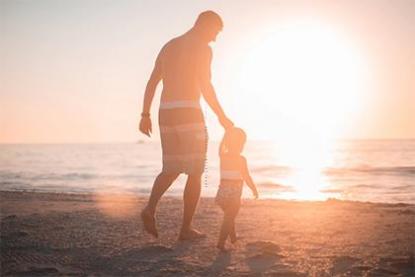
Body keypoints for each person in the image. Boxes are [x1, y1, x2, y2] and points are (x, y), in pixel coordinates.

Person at [139, 11, 233, 240]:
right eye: (215, 32)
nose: (214, 39)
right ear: (205, 25)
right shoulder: (203, 48)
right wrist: (221, 116)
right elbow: (206, 86)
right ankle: (185, 230)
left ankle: (150, 208)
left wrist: (145, 114)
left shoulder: (169, 46)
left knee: (171, 168)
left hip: (166, 113)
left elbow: (152, 81)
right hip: (189, 112)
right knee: (196, 171)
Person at [215, 127, 258, 251]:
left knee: (229, 216)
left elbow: (220, 146)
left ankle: (233, 237)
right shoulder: (241, 159)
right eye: (242, 143)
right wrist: (253, 189)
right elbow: (246, 176)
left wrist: (226, 134)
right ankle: (221, 242)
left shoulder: (223, 156)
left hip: (222, 193)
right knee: (229, 217)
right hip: (234, 194)